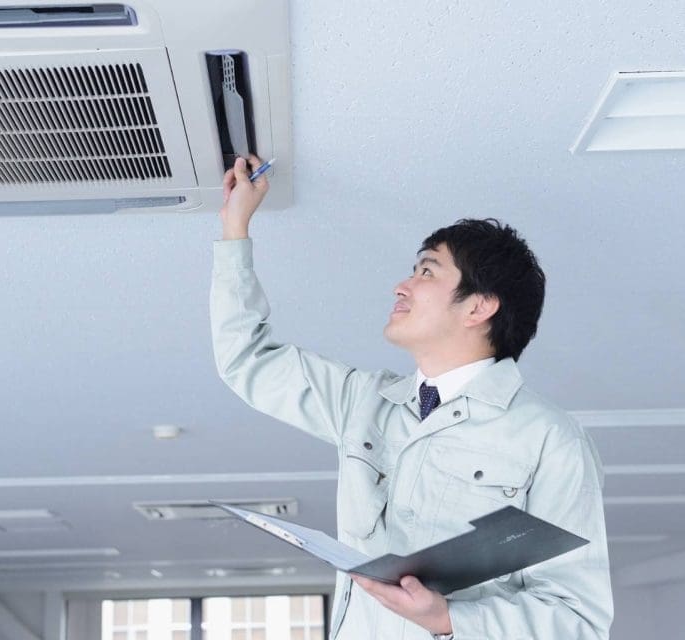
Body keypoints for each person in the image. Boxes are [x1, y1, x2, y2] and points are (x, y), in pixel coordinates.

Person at [210, 156, 613, 639]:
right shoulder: (365, 400)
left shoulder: (550, 439)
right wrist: (236, 227)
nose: (400, 287)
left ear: (480, 306)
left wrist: (448, 620)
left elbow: (578, 621)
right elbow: (247, 359)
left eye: (426, 272)